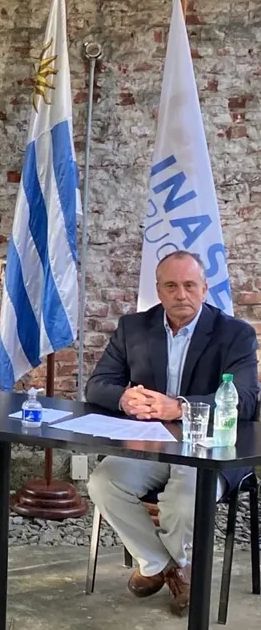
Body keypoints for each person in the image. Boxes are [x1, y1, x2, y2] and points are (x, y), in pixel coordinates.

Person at [86, 250, 259, 616]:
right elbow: (97, 385)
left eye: (189, 285)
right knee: (102, 482)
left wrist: (179, 407)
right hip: (153, 445)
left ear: (204, 288)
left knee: (182, 503)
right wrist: (125, 398)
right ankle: (165, 567)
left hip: (212, 448)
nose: (181, 294)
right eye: (171, 286)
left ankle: (165, 568)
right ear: (159, 291)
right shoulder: (133, 327)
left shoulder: (236, 334)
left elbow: (244, 401)